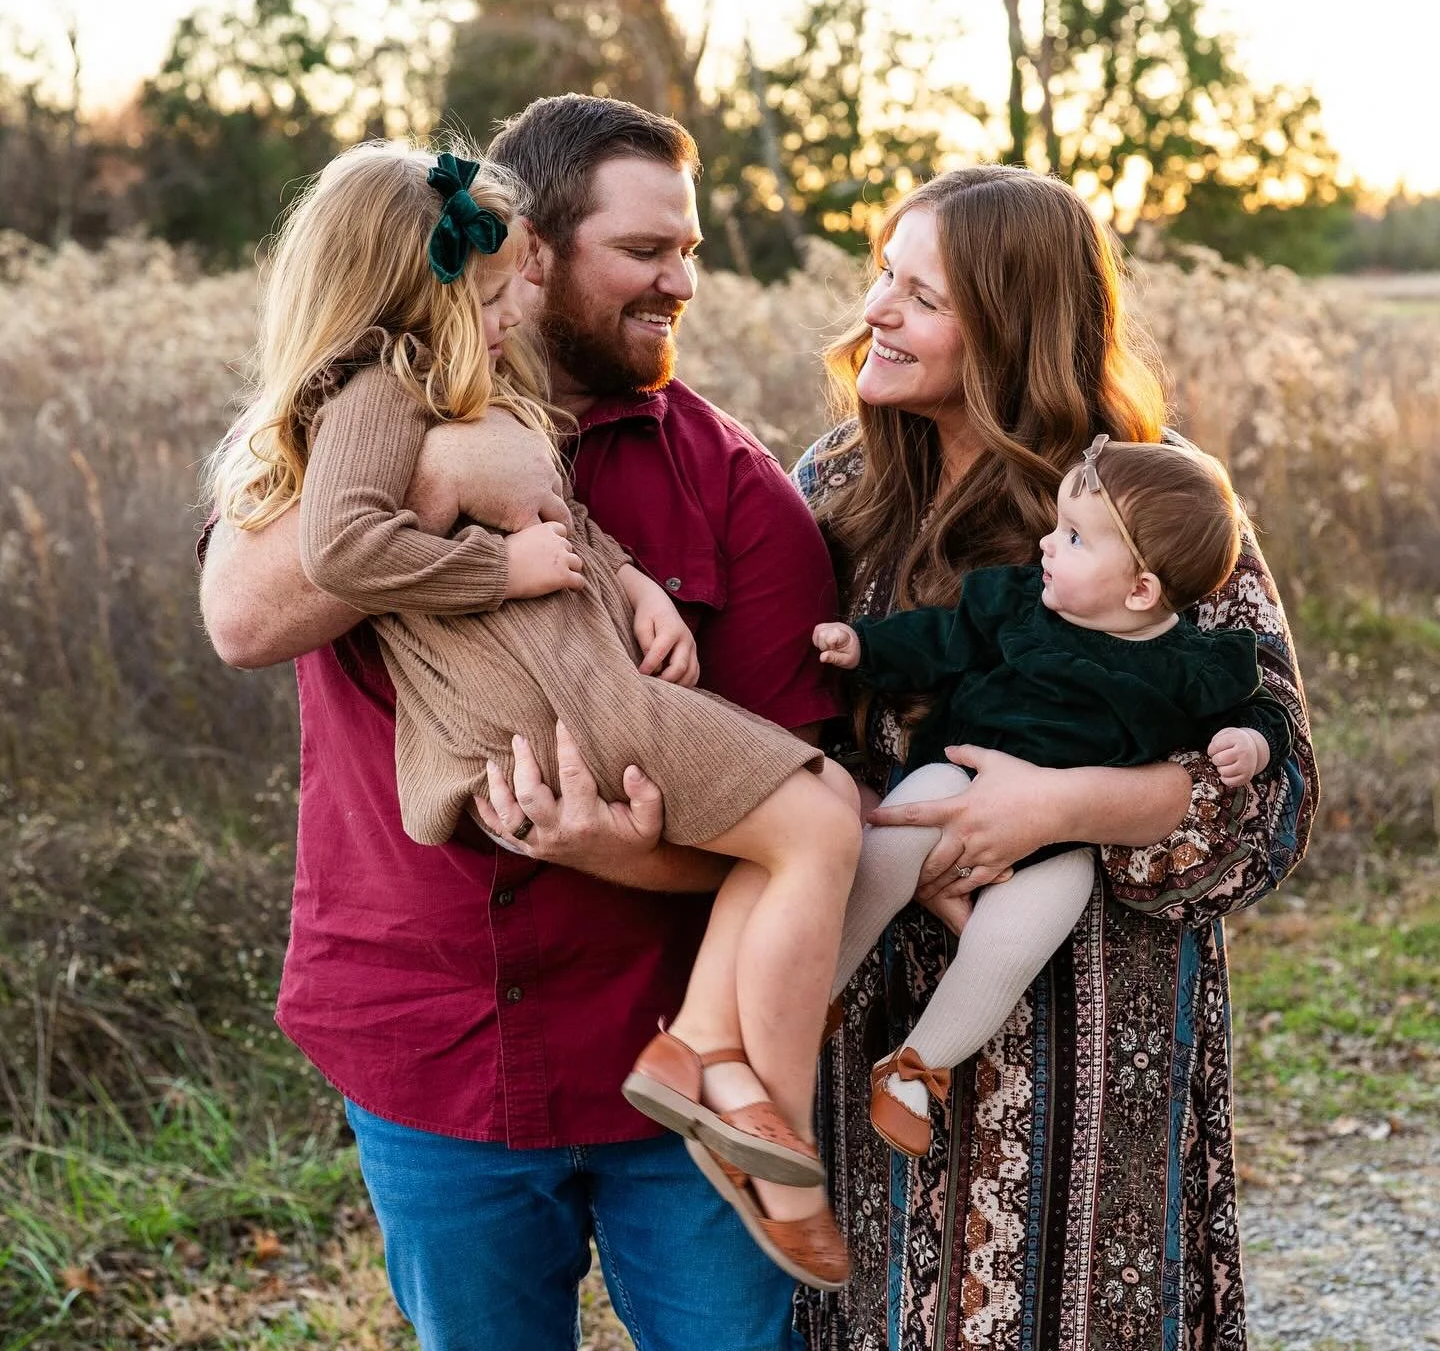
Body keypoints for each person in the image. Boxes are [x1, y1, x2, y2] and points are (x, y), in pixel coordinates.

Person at [199, 96, 845, 1350]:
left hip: (644, 1038)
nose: (682, 285)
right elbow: (242, 615)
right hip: (430, 1047)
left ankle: (743, 1104)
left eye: (691, 252)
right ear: (527, 251)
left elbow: (778, 786)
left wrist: (621, 848)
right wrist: (441, 484)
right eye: (647, 252)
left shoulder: (733, 485)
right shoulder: (361, 421)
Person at [781, 164, 1318, 1350]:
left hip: (1087, 1054)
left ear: (1015, 328)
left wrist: (1060, 805)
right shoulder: (834, 483)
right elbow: (764, 724)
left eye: (920, 292)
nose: (874, 309)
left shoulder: (1155, 493)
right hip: (864, 1009)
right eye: (884, 274)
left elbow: (1276, 793)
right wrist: (892, 825)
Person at [811, 433, 1292, 1159]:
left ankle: (916, 1068)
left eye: (1072, 537)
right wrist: (866, 647)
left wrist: (1253, 742)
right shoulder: (1018, 607)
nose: (1046, 544)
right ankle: (812, 990)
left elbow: (1265, 709)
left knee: (1012, 945)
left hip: (1065, 846)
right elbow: (940, 640)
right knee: (887, 846)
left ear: (1140, 591)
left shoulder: (1190, 664)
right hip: (962, 773)